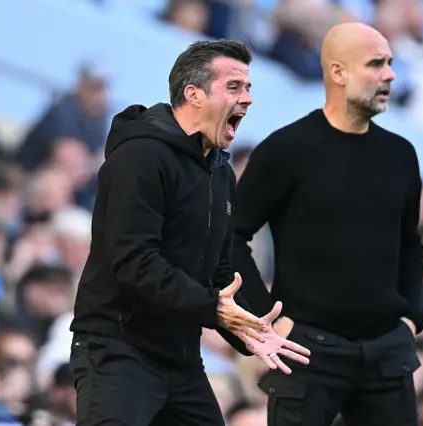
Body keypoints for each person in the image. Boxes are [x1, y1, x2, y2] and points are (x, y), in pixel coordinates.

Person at [69, 40, 310, 426]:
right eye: (234, 87)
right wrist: (212, 306)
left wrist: (247, 328)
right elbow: (134, 261)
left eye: (248, 89)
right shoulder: (140, 157)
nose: (246, 99)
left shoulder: (220, 172)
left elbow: (216, 273)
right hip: (118, 350)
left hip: (181, 358)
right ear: (193, 94)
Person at [232, 23, 423, 426]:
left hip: (386, 351)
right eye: (376, 64)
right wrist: (266, 319)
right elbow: (229, 237)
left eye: (390, 63)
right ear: (338, 72)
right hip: (305, 349)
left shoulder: (401, 156)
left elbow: (410, 243)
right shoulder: (287, 149)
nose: (389, 74)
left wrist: (412, 316)